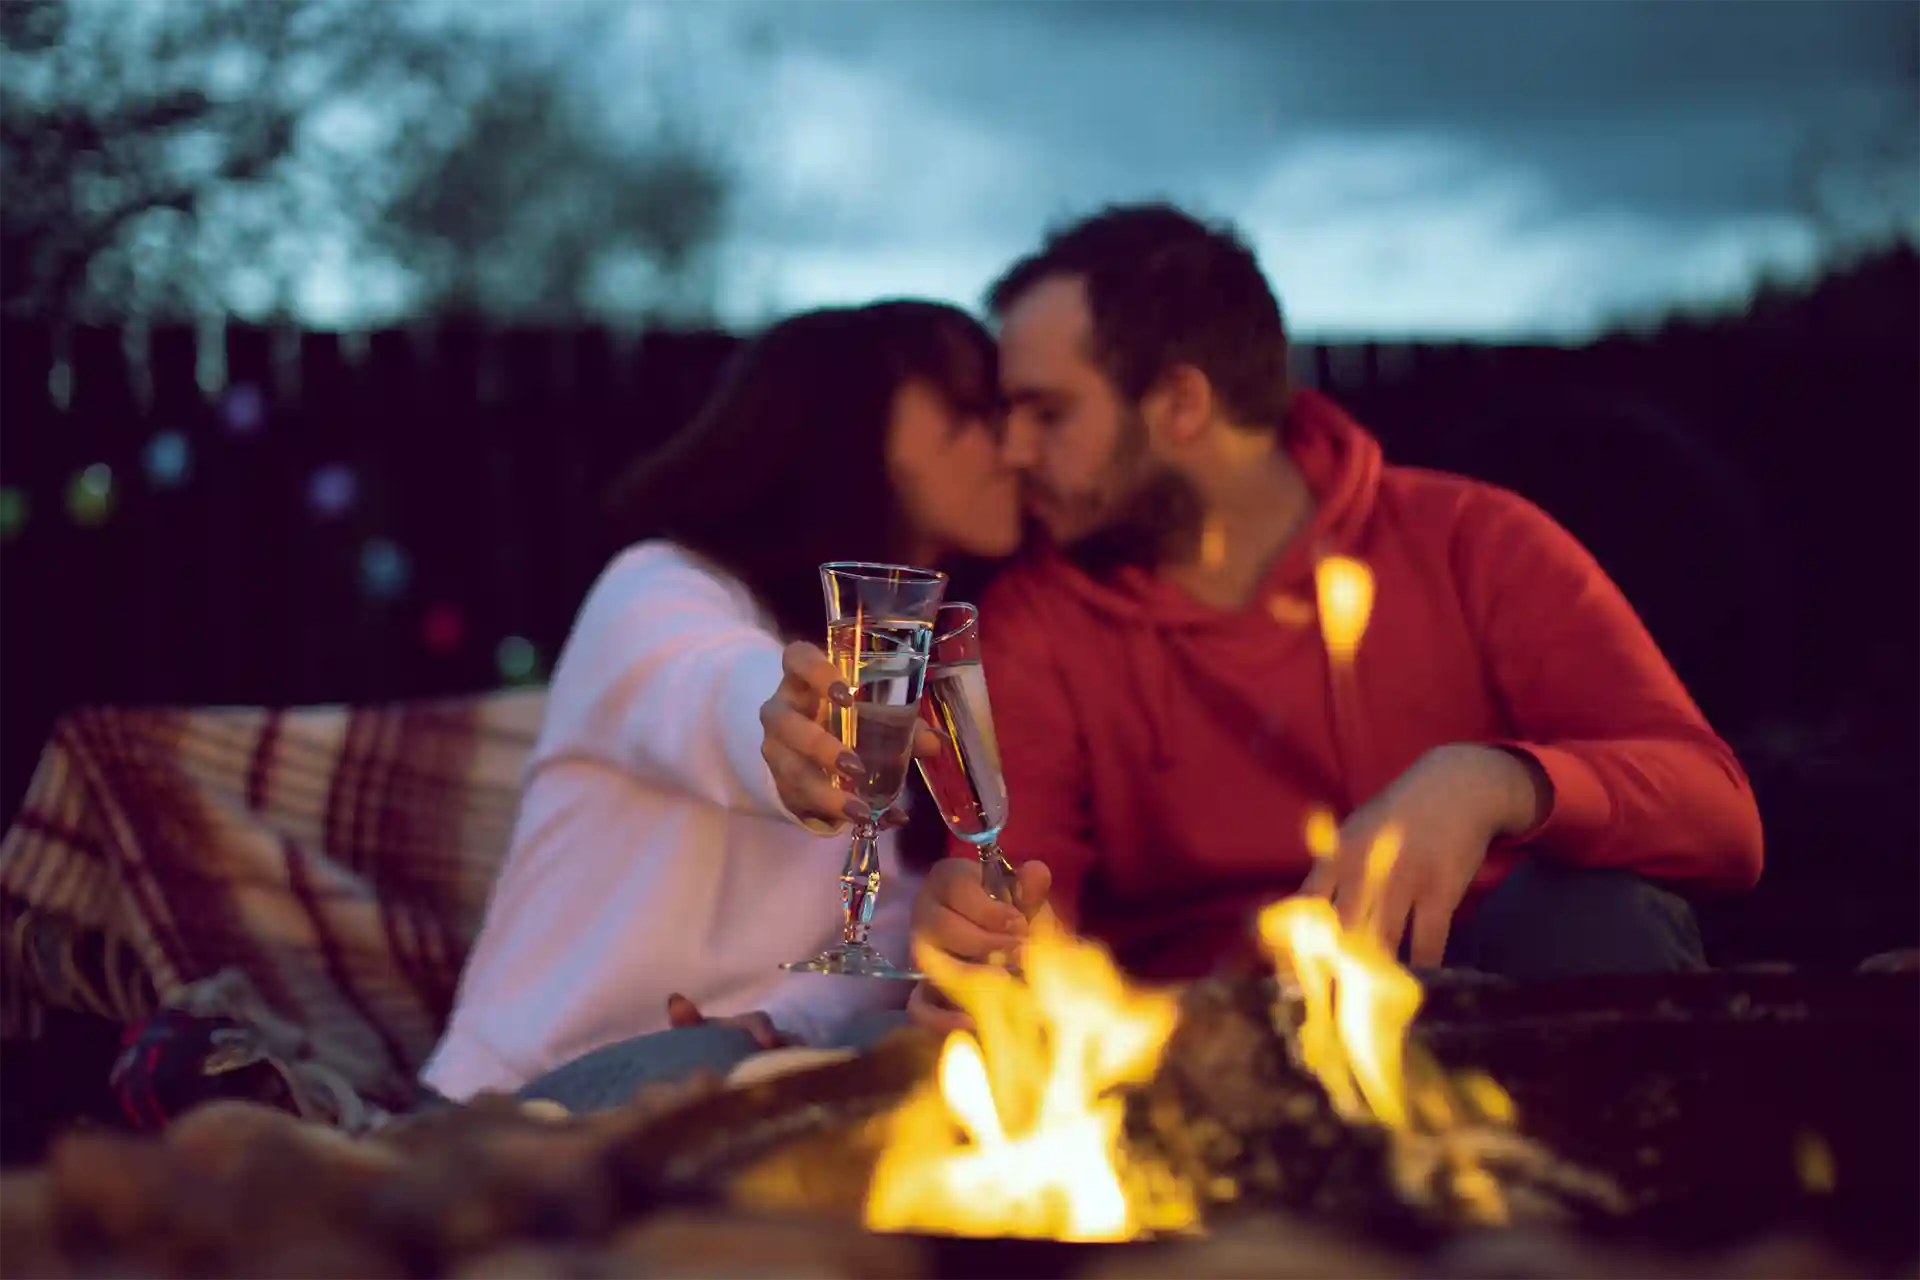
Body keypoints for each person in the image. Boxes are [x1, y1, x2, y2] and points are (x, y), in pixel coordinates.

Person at [759, 204, 1765, 1025]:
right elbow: (1031, 910)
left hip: (1503, 1030)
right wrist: (981, 947)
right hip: (1210, 1059)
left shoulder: (1472, 540)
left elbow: (1721, 815)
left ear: (1182, 405)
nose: (1013, 450)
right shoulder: (1036, 623)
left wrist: (1493, 778)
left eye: (1049, 411)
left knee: (1602, 910)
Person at [421, 300, 1020, 1104]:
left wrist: (779, 1020)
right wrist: (782, 727)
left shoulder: (950, 658)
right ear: (843, 421)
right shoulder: (656, 587)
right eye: (968, 411)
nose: (1010, 445)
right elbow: (708, 688)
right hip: (517, 1102)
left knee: (908, 1055)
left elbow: (881, 939)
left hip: (732, 1081)